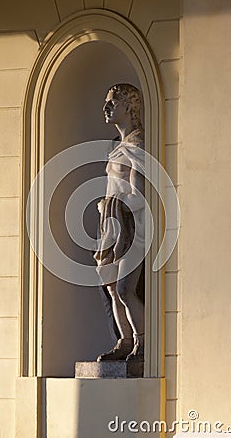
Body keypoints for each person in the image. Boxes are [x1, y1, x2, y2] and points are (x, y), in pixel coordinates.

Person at [94, 84, 145, 362]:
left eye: (112, 102)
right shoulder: (117, 146)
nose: (106, 107)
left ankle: (141, 343)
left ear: (129, 107)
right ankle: (124, 341)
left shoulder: (137, 144)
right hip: (111, 223)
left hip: (130, 224)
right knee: (112, 287)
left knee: (125, 288)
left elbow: (139, 195)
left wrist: (116, 205)